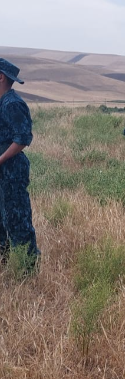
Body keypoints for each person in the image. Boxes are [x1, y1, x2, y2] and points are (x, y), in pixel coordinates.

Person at [0, 58, 41, 267]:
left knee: (17, 220)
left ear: (1, 77)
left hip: (12, 169)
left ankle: (27, 269)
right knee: (2, 220)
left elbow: (23, 138)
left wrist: (1, 159)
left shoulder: (12, 103)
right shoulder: (2, 102)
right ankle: (5, 263)